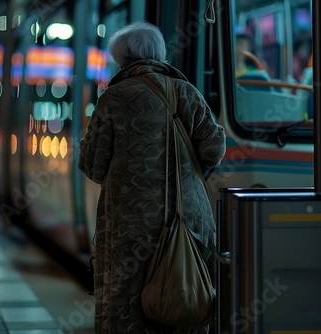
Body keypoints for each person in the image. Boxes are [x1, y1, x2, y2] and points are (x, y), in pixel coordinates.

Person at [78, 22, 226, 333]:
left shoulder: (113, 98)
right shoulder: (185, 91)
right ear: (159, 54)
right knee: (184, 294)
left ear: (122, 60)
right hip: (187, 217)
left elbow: (92, 165)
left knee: (127, 305)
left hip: (129, 225)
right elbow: (214, 148)